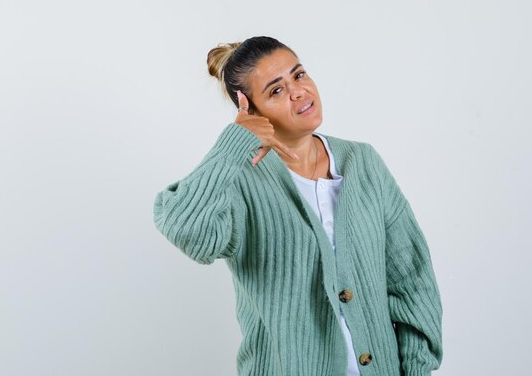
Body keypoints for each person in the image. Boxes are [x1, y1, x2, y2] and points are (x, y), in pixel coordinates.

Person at [153, 36, 443, 376]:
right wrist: (234, 143)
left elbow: (411, 278)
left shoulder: (363, 162)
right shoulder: (241, 182)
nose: (298, 92)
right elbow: (186, 229)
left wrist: (417, 368)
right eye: (276, 91)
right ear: (250, 111)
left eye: (299, 75)